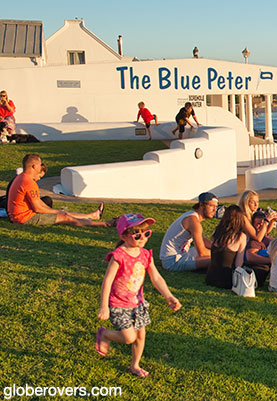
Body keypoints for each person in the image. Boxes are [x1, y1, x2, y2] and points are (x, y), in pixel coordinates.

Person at [95, 213, 181, 378]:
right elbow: (107, 281)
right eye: (137, 234)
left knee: (141, 335)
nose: (142, 237)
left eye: (146, 233)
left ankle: (135, 365)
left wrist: (169, 296)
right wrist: (104, 306)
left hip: (138, 303)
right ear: (124, 236)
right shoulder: (119, 255)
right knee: (129, 338)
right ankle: (105, 334)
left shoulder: (145, 254)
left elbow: (155, 277)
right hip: (119, 304)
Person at [7, 154, 109, 227]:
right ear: (34, 166)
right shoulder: (28, 182)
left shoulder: (22, 178)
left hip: (20, 215)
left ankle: (91, 216)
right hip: (24, 218)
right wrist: (56, 212)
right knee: (66, 218)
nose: (41, 166)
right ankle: (103, 224)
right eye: (39, 164)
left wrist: (55, 212)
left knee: (63, 214)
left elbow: (38, 202)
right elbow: (38, 208)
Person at [205, 204, 268, 288]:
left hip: (210, 277)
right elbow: (238, 265)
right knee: (263, 268)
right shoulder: (240, 236)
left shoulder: (217, 231)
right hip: (228, 280)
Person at [159, 192, 217, 271]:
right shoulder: (193, 221)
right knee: (218, 260)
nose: (214, 210)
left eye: (216, 206)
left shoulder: (192, 216)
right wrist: (222, 254)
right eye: (211, 206)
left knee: (218, 256)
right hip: (172, 260)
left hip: (182, 254)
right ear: (201, 205)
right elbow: (202, 252)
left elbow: (203, 241)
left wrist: (220, 248)